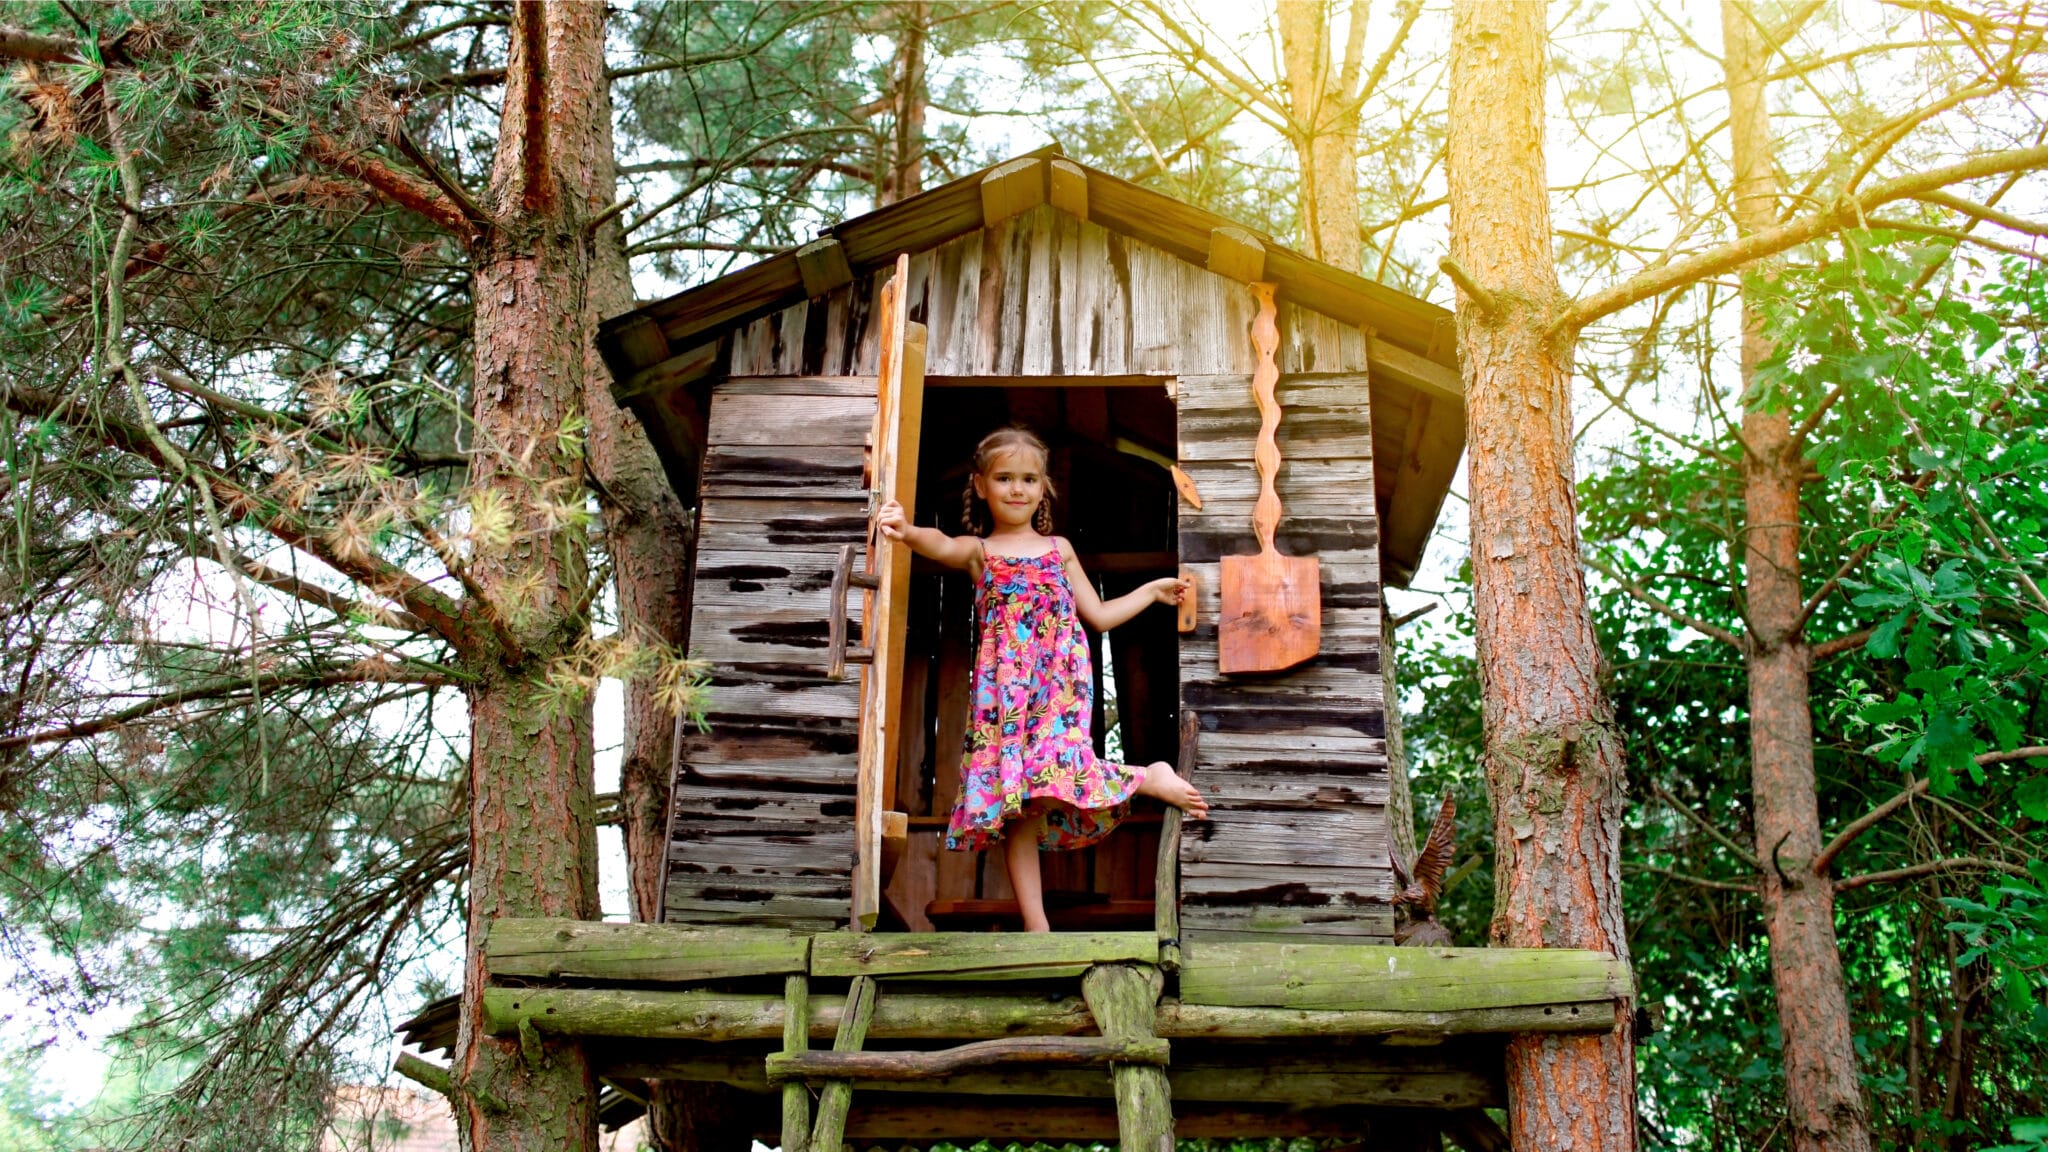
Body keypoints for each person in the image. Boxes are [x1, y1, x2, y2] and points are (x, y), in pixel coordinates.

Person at [876, 425, 1209, 933]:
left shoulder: (1059, 549)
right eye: (1004, 478)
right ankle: (1038, 927)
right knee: (1019, 807)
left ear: (1044, 487)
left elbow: (1096, 614)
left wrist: (1149, 592)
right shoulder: (980, 552)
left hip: (1059, 686)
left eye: (1028, 479)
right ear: (981, 485)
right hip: (1004, 699)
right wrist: (905, 528)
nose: (1017, 489)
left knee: (1061, 770)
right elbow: (937, 543)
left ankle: (1147, 776)